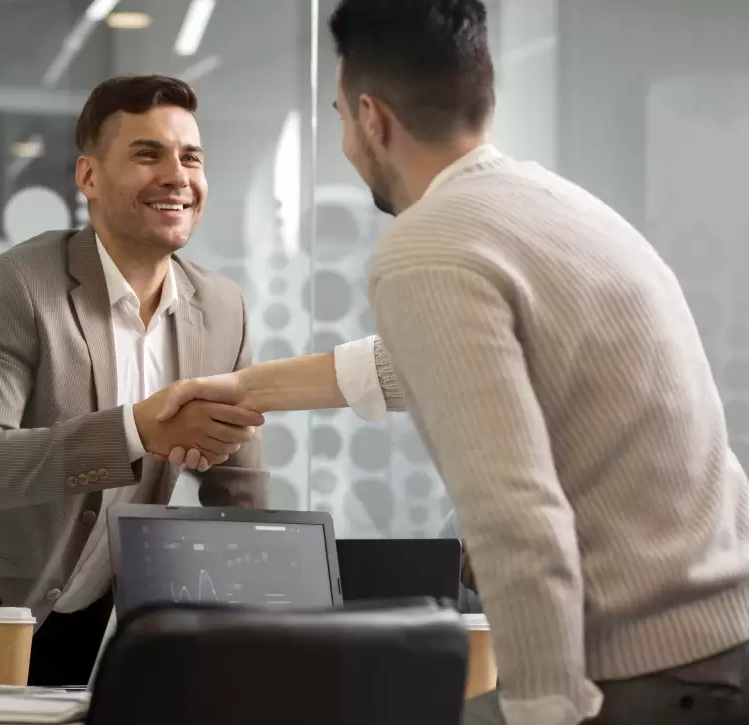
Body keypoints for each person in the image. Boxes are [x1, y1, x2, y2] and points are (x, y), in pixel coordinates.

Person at [149, 1, 749, 723]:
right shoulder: (553, 207)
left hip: (645, 672)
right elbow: (435, 365)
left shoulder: (428, 247)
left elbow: (515, 514)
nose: (343, 138)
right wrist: (246, 388)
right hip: (721, 640)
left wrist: (542, 710)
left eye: (338, 116)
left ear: (373, 118)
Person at [0, 74, 401, 687]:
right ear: (88, 178)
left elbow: (237, 489)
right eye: (147, 154)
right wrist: (138, 428)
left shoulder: (220, 306)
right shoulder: (16, 287)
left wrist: (266, 634)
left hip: (88, 617)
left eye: (191, 157)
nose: (177, 176)